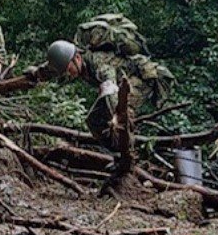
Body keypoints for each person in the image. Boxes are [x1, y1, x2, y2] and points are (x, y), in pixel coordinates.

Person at [41, 12, 172, 149]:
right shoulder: (76, 59)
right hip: (123, 83)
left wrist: (116, 115)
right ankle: (115, 151)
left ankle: (127, 151)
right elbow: (50, 68)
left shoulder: (99, 64)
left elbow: (111, 87)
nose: (68, 74)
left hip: (141, 79)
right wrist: (36, 73)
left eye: (69, 69)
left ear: (77, 58)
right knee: (94, 121)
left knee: (118, 115)